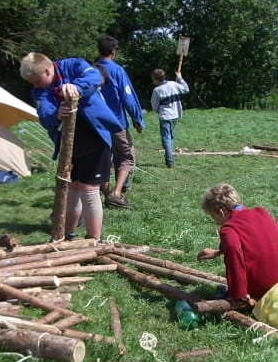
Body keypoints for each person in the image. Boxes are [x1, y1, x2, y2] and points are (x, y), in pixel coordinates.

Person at [20, 52, 122, 239]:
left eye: (37, 81)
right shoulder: (39, 91)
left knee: (89, 190)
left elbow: (95, 77)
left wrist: (76, 87)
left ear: (48, 70)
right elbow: (45, 116)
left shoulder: (74, 65)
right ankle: (68, 236)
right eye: (32, 83)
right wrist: (56, 115)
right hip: (69, 144)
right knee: (73, 189)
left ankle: (93, 241)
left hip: (96, 137)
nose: (35, 86)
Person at [196, 183, 278, 308]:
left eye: (213, 217)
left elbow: (234, 260)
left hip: (267, 289)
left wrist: (239, 294)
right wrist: (218, 252)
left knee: (224, 293)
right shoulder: (261, 213)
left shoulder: (228, 229)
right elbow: (253, 241)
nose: (216, 222)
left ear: (221, 212)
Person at [96, 34, 145, 208]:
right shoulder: (117, 71)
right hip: (116, 122)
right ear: (113, 52)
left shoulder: (91, 69)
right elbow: (128, 96)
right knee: (127, 156)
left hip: (96, 123)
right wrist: (138, 119)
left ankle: (106, 193)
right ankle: (116, 193)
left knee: (103, 158)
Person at [150, 66, 189, 168]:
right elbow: (186, 89)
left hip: (165, 116)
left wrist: (159, 111)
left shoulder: (157, 90)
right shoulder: (173, 84)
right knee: (170, 137)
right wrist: (180, 78)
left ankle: (169, 160)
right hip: (175, 115)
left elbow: (154, 105)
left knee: (166, 139)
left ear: (154, 79)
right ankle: (170, 157)